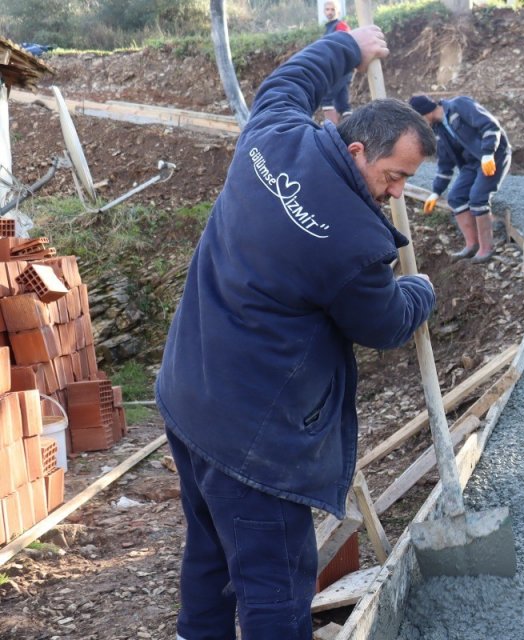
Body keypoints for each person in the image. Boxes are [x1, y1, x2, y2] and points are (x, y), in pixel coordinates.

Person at [155, 24, 437, 640]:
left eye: (407, 183)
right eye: (394, 177)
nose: (398, 194)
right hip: (254, 437)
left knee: (210, 553)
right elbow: (385, 322)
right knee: (274, 584)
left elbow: (289, 80)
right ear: (357, 149)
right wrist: (420, 291)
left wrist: (349, 48)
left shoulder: (273, 135)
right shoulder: (355, 245)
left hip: (189, 391)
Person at [409, 94, 512, 263]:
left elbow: (490, 126)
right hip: (472, 162)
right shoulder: (439, 130)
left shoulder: (459, 106)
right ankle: (472, 245)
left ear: (424, 113)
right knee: (456, 197)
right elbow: (445, 163)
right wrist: (436, 192)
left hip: (494, 156)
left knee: (478, 197)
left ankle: (486, 249)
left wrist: (488, 153)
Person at [319, 0, 351, 125]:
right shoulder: (329, 28)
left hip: (341, 69)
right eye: (327, 9)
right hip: (338, 69)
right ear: (324, 12)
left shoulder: (340, 26)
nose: (330, 12)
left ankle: (331, 131)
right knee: (343, 104)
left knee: (326, 98)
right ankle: (349, 130)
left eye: (332, 9)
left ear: (337, 11)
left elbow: (346, 46)